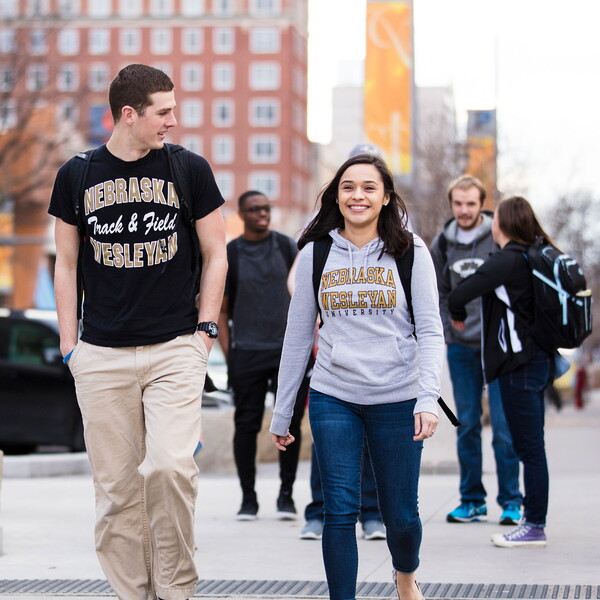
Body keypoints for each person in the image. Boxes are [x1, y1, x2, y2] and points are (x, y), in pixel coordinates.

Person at [50, 64, 227, 600]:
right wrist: (68, 346)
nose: (173, 120)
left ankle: (175, 591)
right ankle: (133, 593)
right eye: (164, 111)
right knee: (117, 492)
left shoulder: (188, 169)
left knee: (172, 468)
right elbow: (64, 264)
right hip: (100, 354)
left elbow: (217, 253)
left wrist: (205, 331)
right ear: (130, 114)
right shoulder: (77, 175)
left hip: (175, 347)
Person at [270, 153, 444, 600]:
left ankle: (405, 575)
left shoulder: (410, 250)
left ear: (386, 197)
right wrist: (284, 410)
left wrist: (428, 398)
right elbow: (297, 334)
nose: (358, 196)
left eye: (369, 187)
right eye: (349, 187)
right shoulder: (316, 252)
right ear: (336, 196)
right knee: (340, 510)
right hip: (334, 394)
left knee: (401, 515)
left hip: (397, 395)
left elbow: (429, 330)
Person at [448, 195, 553, 548]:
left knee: (529, 447)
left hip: (517, 366)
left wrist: (458, 313)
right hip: (540, 361)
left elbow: (459, 292)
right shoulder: (538, 255)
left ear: (502, 225)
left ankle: (534, 524)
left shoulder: (506, 260)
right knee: (531, 445)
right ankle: (531, 518)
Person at [430, 175, 522, 526]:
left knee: (502, 427)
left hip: (498, 347)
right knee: (466, 424)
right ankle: (472, 500)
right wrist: (444, 331)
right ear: (451, 204)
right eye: (458, 203)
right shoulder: (443, 243)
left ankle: (511, 501)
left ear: (481, 203)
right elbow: (435, 289)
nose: (464, 210)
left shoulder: (497, 238)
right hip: (461, 348)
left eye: (471, 203)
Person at [218, 190, 310, 521]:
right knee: (246, 425)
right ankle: (248, 499)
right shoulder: (233, 253)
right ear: (242, 214)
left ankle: (286, 496)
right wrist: (231, 355)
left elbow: (305, 297)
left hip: (289, 354)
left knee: (290, 424)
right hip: (248, 354)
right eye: (255, 209)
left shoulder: (287, 247)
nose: (263, 214)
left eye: (266, 208)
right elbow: (221, 312)